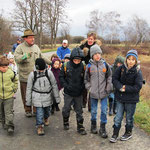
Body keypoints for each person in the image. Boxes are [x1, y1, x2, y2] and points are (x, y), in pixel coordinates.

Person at [14, 29, 51, 117]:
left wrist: (51, 63)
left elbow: (42, 56)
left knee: (36, 93)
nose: (32, 39)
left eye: (33, 37)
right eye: (30, 38)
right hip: (25, 76)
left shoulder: (36, 47)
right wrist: (24, 56)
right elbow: (16, 59)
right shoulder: (20, 47)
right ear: (25, 38)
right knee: (26, 94)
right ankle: (27, 110)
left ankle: (35, 109)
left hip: (36, 76)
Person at [110, 49, 143, 143]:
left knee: (129, 118)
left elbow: (138, 86)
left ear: (136, 61)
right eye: (129, 59)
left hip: (131, 100)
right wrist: (120, 87)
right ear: (126, 59)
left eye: (133, 59)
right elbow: (114, 78)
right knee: (118, 117)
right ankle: (115, 134)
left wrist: (125, 88)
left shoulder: (137, 72)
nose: (131, 61)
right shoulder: (121, 68)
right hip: (120, 98)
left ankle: (128, 133)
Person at [26, 58, 60, 136]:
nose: (41, 71)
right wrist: (28, 101)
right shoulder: (32, 75)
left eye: (43, 69)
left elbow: (54, 85)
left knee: (47, 111)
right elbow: (29, 88)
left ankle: (46, 118)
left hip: (47, 96)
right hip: (37, 96)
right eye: (40, 70)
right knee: (39, 113)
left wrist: (57, 98)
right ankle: (40, 126)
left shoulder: (49, 73)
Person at [84, 44, 112, 138]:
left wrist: (108, 87)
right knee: (94, 111)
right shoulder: (89, 66)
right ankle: (93, 125)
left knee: (104, 110)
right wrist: (89, 88)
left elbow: (109, 77)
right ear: (92, 55)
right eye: (95, 53)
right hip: (93, 93)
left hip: (104, 92)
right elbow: (86, 80)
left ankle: (103, 128)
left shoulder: (105, 65)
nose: (97, 55)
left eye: (99, 53)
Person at [59, 47, 87, 135]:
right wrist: (66, 86)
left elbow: (85, 78)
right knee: (66, 109)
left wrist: (82, 87)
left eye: (79, 60)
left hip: (78, 93)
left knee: (79, 110)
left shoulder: (83, 66)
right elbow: (61, 77)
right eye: (75, 60)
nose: (77, 62)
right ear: (72, 59)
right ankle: (66, 121)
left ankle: (80, 126)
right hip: (68, 92)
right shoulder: (66, 65)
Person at [0, 56, 18, 134]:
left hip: (9, 96)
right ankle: (4, 123)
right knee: (1, 112)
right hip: (0, 96)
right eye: (3, 67)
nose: (5, 68)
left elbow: (15, 81)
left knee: (8, 112)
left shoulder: (11, 73)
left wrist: (14, 90)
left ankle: (10, 126)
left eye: (6, 67)